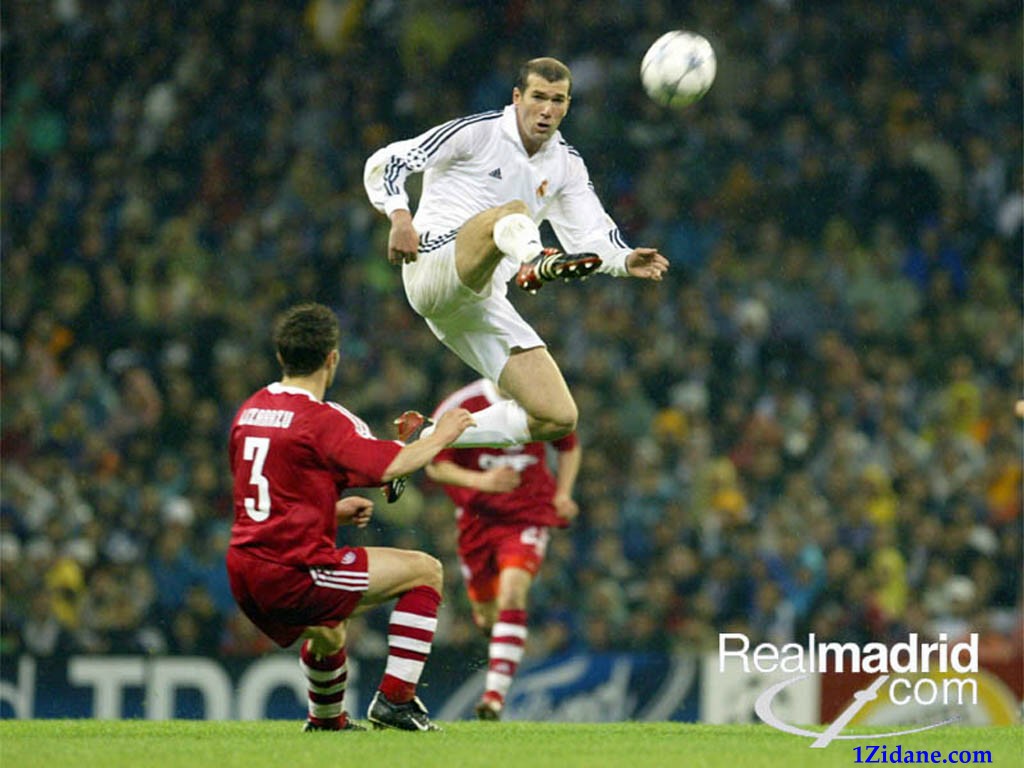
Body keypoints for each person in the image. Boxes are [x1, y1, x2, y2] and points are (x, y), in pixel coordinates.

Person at [364, 57, 669, 447]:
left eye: (557, 100)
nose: (547, 110)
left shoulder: (566, 165)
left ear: (568, 105)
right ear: (516, 97)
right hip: (434, 262)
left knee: (557, 415)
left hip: (480, 301)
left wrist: (624, 260)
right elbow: (390, 161)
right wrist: (400, 216)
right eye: (538, 97)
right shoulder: (478, 132)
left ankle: (424, 437)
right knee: (511, 212)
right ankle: (536, 261)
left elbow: (591, 232)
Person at [226, 302, 475, 732]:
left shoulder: (251, 410)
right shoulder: (320, 420)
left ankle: (326, 723)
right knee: (425, 572)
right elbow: (393, 466)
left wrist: (329, 510)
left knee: (329, 633)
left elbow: (260, 493)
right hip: (292, 572)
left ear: (281, 356)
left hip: (244, 569)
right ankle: (396, 700)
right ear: (332, 358)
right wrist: (445, 434)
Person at [424, 378, 581, 720]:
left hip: (528, 515)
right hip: (477, 520)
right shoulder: (462, 404)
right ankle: (509, 642)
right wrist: (481, 481)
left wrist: (563, 493)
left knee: (512, 593)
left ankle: (494, 696)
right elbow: (434, 463)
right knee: (486, 618)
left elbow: (568, 444)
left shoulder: (541, 396)